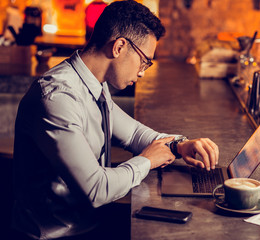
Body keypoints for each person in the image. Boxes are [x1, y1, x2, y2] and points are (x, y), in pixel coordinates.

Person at [12, 1, 219, 239]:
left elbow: (132, 134)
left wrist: (179, 145)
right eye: (144, 61)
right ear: (119, 46)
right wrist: (147, 161)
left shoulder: (94, 84)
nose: (142, 72)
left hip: (91, 222)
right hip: (56, 234)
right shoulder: (57, 97)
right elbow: (96, 189)